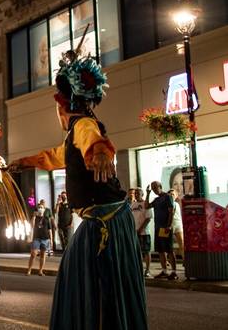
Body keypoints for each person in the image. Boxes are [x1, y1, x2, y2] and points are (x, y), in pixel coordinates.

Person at [10, 49, 146, 329]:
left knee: (90, 283)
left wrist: (99, 153)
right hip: (104, 221)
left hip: (103, 223)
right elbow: (55, 156)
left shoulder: (83, 125)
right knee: (85, 281)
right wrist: (23, 163)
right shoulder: (75, 132)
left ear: (62, 106)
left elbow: (94, 141)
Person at [145, 181, 177, 280]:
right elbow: (147, 206)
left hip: (166, 227)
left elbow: (171, 212)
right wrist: (148, 194)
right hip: (158, 227)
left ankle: (174, 272)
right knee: (161, 250)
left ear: (160, 186)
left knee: (169, 250)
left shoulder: (167, 197)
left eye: (155, 187)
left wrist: (169, 225)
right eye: (152, 188)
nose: (154, 189)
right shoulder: (157, 199)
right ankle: (164, 271)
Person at [130, 188, 152, 277]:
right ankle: (139, 268)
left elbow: (148, 218)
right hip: (134, 232)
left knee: (146, 251)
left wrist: (140, 229)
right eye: (135, 193)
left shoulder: (145, 204)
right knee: (136, 251)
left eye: (138, 193)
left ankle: (147, 270)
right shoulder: (133, 204)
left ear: (142, 194)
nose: (136, 194)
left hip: (144, 232)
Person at [27, 200, 52, 276]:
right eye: (39, 207)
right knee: (33, 254)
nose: (40, 208)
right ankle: (29, 270)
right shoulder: (35, 217)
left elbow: (50, 230)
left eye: (42, 207)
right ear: (37, 209)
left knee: (43, 254)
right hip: (36, 238)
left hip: (45, 238)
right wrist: (34, 217)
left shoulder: (47, 219)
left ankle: (40, 271)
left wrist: (51, 239)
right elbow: (31, 225)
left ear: (44, 209)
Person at [169, 189, 184, 269]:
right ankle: (167, 261)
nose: (171, 196)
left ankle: (184, 260)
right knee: (168, 246)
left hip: (178, 225)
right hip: (169, 226)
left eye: (173, 194)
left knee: (181, 244)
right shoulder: (167, 204)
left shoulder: (177, 204)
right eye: (170, 194)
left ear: (176, 195)